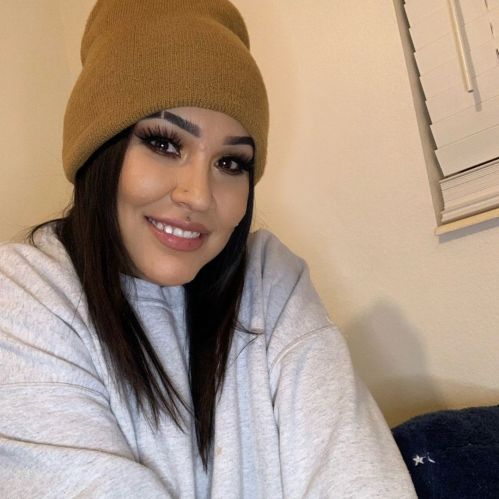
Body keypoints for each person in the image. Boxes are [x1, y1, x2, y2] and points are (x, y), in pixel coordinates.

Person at [0, 0, 416, 497]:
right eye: (164, 143)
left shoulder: (269, 281)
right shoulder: (22, 296)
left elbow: (356, 474)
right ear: (98, 150)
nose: (198, 195)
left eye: (231, 163)